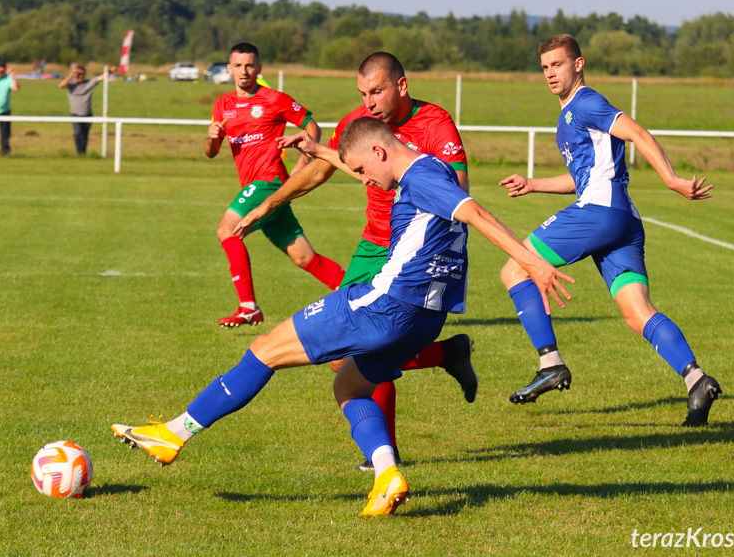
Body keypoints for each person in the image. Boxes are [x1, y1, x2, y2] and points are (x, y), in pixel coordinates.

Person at [112, 117, 575, 516]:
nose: (365, 181)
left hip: (385, 304)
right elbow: (387, 175)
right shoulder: (429, 170)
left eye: (362, 169)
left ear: (379, 150)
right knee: (349, 386)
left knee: (264, 349)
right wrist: (322, 151)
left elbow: (476, 212)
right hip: (426, 318)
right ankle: (388, 475)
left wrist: (532, 263)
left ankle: (173, 434)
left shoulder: (421, 178)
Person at [236, 52, 476, 471]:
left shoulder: (435, 123)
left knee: (363, 348)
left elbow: (459, 190)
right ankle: (444, 356)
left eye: (377, 91)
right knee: (342, 354)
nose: (369, 103)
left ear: (401, 86)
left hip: (414, 252)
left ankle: (386, 453)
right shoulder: (357, 124)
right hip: (373, 246)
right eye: (363, 93)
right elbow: (319, 169)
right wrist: (271, 203)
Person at [498, 34, 721, 426]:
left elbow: (637, 133)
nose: (550, 73)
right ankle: (697, 380)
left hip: (600, 212)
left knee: (515, 268)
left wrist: (670, 179)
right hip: (623, 221)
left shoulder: (587, 102)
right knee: (638, 314)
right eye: (545, 67)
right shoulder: (567, 116)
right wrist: (533, 183)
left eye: (558, 65)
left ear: (578, 65)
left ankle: (550, 363)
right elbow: (580, 179)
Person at [205, 43, 345, 327]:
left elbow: (311, 126)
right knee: (304, 257)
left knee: (226, 230)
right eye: (238, 65)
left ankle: (248, 307)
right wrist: (211, 136)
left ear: (259, 68)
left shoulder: (274, 99)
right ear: (229, 69)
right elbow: (211, 151)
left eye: (249, 65)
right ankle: (361, 295)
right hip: (259, 186)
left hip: (269, 182)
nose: (244, 71)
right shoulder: (223, 105)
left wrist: (304, 162)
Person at [59, 65, 105, 156]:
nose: (80, 75)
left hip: (87, 113)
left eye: (82, 74)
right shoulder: (71, 84)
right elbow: (61, 85)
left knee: (85, 135)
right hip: (75, 113)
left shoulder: (88, 83)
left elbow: (101, 78)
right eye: (78, 73)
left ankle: (83, 153)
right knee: (78, 133)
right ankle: (79, 151)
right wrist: (71, 75)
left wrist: (110, 71)